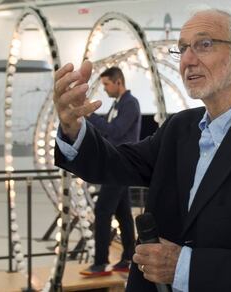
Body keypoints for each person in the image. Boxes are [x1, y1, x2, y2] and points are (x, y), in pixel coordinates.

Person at [53, 8, 231, 292]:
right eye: (182, 48)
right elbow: (116, 163)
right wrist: (73, 128)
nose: (188, 60)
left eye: (204, 45)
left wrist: (185, 267)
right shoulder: (179, 128)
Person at [81, 67, 141, 276]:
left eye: (106, 84)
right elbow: (107, 127)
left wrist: (90, 115)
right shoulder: (118, 104)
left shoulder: (130, 104)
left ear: (118, 82)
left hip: (119, 165)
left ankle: (100, 263)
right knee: (123, 213)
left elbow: (114, 130)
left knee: (102, 211)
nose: (105, 89)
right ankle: (128, 258)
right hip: (115, 164)